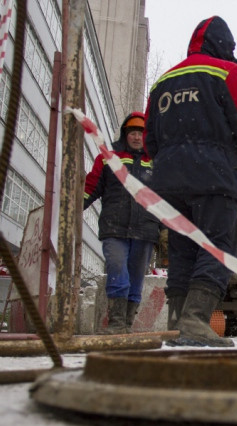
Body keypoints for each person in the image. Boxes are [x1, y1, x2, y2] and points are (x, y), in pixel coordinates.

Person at [144, 16, 237, 347]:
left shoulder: (163, 82)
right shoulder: (229, 72)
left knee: (183, 247)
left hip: (170, 184)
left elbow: (149, 141)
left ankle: (177, 321)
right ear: (225, 46)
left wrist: (169, 168)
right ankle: (196, 319)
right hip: (214, 178)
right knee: (218, 245)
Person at [84, 112, 160, 334]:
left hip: (145, 230)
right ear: (125, 135)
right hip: (114, 228)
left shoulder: (157, 164)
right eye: (133, 133)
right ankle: (116, 322)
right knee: (118, 269)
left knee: (136, 278)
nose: (137, 138)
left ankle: (126, 324)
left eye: (141, 134)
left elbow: (167, 198)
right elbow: (90, 188)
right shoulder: (109, 158)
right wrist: (72, 208)